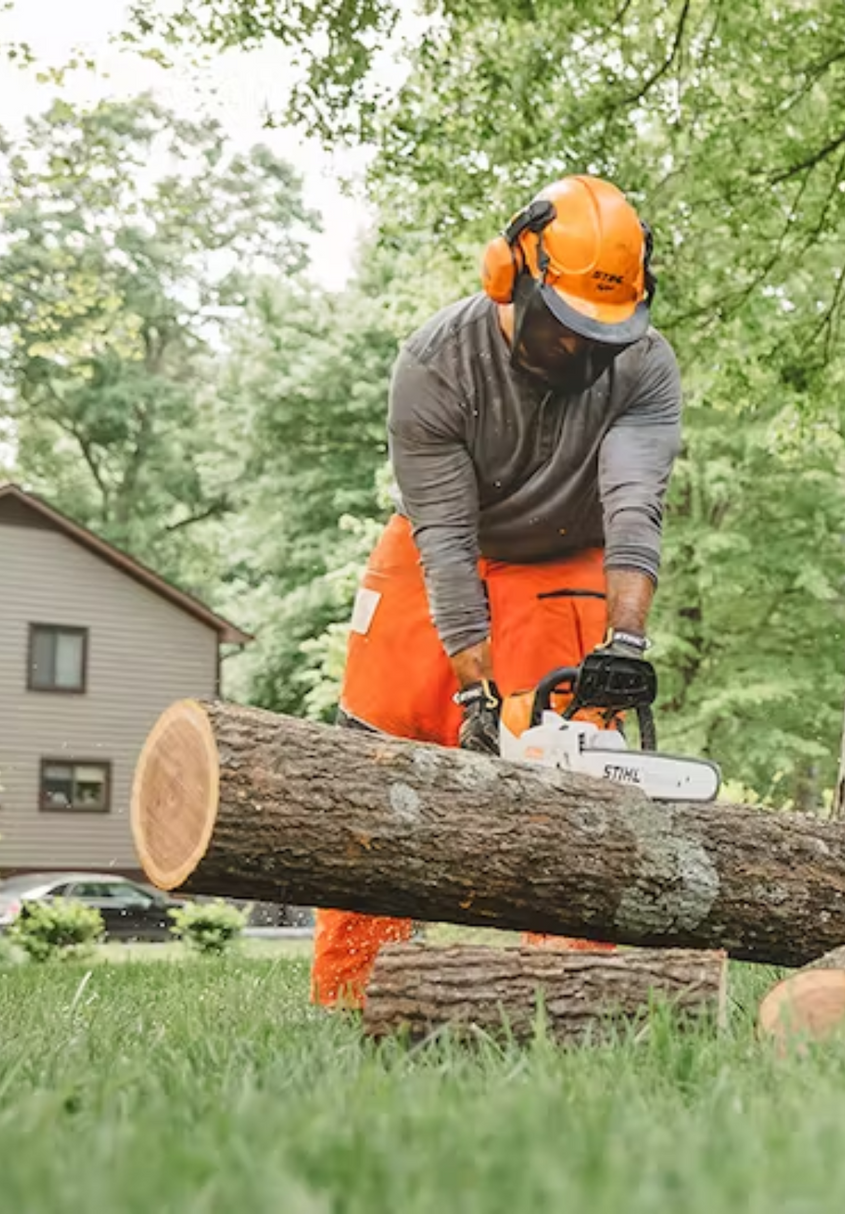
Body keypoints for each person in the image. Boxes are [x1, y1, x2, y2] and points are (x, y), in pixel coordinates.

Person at [311, 174, 683, 1008]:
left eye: (607, 337)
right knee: (374, 755)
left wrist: (626, 642)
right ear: (509, 280)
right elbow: (445, 540)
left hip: (565, 559)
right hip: (437, 557)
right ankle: (353, 992)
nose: (587, 357)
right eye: (570, 333)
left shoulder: (646, 369)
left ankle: (573, 987)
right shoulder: (435, 365)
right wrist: (475, 688)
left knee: (580, 761)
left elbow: (633, 503)